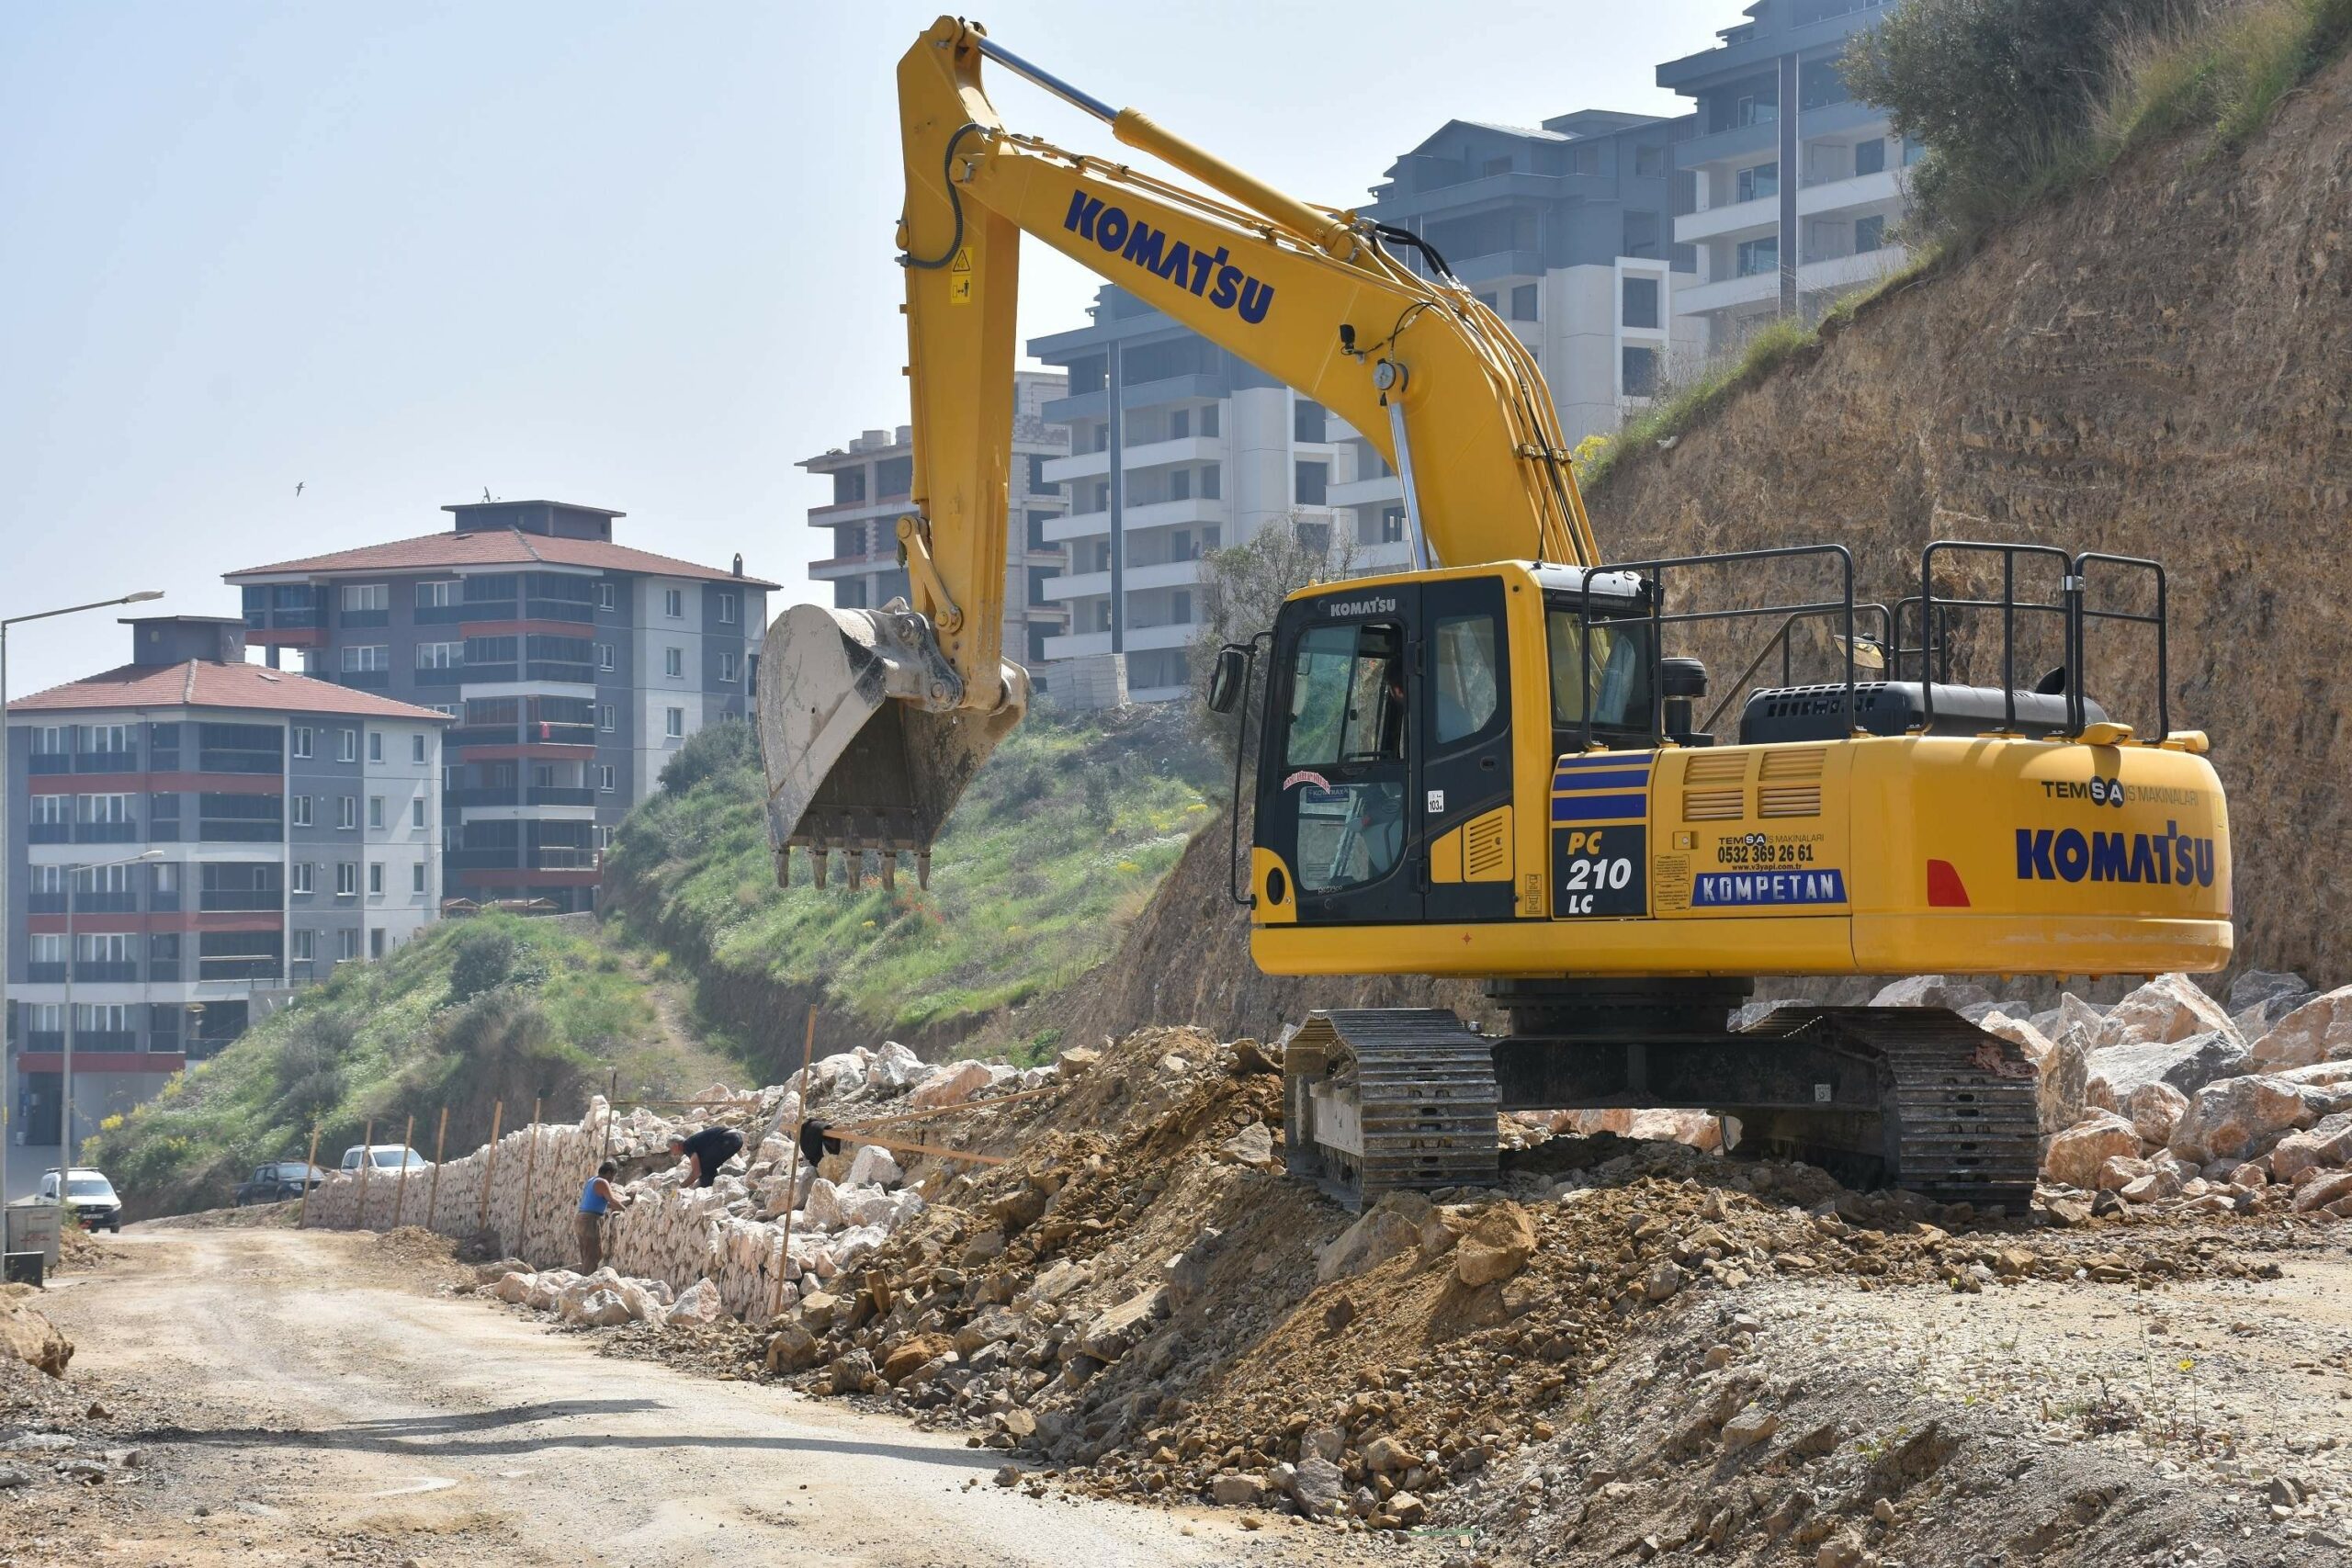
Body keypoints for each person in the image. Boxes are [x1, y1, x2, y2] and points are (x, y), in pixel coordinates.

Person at [576, 1159, 628, 1272]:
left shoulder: (591, 1180)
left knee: (587, 1254)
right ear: (609, 1173)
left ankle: (584, 1279)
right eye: (613, 1176)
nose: (612, 1180)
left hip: (581, 1218)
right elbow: (612, 1200)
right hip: (590, 1220)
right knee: (593, 1254)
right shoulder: (602, 1182)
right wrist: (627, 1211)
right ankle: (587, 1282)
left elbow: (603, 1202)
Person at [671, 1125, 744, 1189]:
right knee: (707, 1165)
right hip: (736, 1138)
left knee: (704, 1167)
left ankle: (707, 1189)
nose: (672, 1153)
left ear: (676, 1146)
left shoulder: (687, 1146)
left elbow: (696, 1173)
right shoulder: (692, 1142)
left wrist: (681, 1187)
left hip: (729, 1139)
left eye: (671, 1149)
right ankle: (712, 1186)